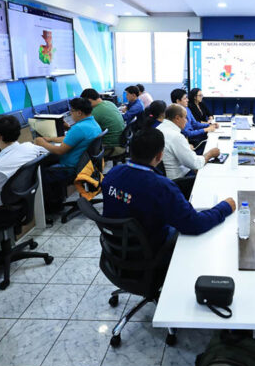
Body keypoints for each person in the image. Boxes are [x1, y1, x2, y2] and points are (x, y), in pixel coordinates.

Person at [101, 128, 235, 254]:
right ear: (160, 155)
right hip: (151, 248)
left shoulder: (112, 173)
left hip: (118, 245)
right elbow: (195, 224)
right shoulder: (161, 187)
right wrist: (224, 208)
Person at [35, 97, 103, 211]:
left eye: (71, 111)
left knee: (41, 172)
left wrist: (43, 143)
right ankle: (57, 200)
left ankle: (53, 207)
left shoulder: (79, 128)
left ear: (79, 112)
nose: (70, 114)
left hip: (73, 168)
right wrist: (51, 139)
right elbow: (71, 138)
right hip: (88, 166)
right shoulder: (92, 123)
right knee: (49, 161)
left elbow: (60, 151)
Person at [158, 104, 221, 179]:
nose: (186, 121)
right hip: (180, 179)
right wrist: (210, 154)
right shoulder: (176, 136)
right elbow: (195, 164)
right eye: (185, 118)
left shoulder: (159, 128)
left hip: (165, 177)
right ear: (177, 118)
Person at [80, 88, 126, 157]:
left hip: (111, 147)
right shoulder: (110, 103)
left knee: (80, 149)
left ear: (89, 100)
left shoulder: (95, 111)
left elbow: (83, 131)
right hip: (121, 143)